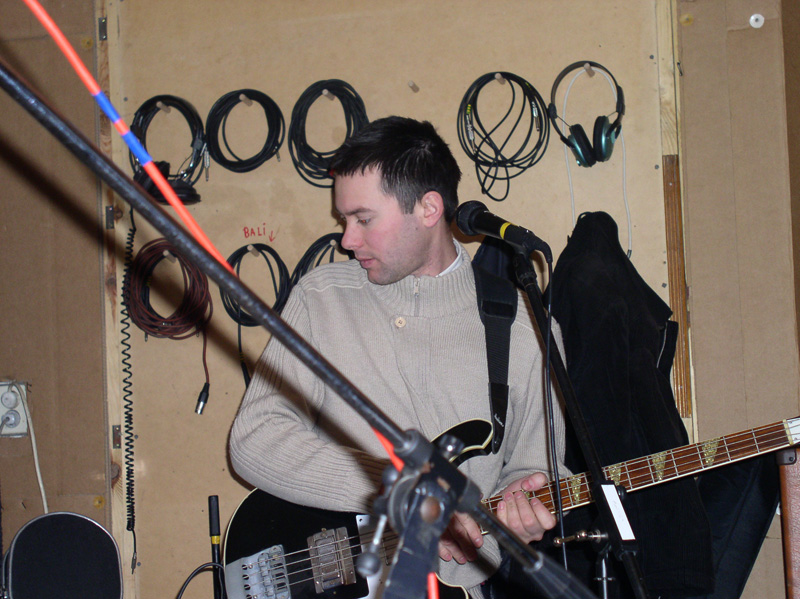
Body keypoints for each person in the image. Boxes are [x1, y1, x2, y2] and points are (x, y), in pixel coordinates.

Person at [229, 116, 568, 598]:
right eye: (344, 220)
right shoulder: (321, 299)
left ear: (428, 208)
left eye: (363, 219)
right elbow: (254, 439)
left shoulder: (528, 329)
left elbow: (532, 475)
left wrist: (525, 511)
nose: (347, 239)